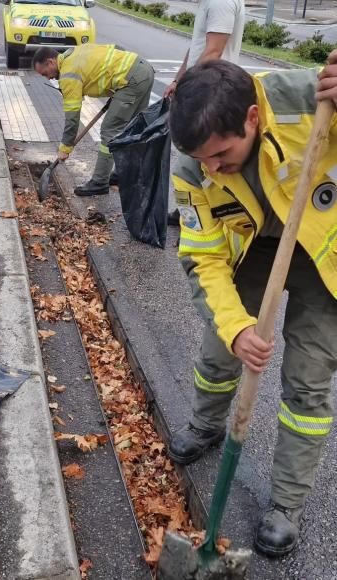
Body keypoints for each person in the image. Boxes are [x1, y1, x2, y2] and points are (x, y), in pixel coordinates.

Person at [167, 54, 337, 557]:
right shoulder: (192, 167)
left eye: (222, 154)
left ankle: (286, 504)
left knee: (308, 381)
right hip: (253, 246)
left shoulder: (313, 100)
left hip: (322, 248)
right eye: (203, 159)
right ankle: (206, 424)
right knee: (221, 349)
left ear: (252, 119)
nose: (212, 167)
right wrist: (238, 328)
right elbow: (203, 258)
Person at [33, 44, 154, 197]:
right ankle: (123, 174)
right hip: (143, 69)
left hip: (132, 81)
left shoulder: (68, 75)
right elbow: (117, 48)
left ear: (51, 62)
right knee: (133, 128)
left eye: (45, 73)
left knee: (109, 130)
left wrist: (65, 148)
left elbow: (72, 118)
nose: (48, 77)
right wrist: (117, 80)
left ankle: (99, 182)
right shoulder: (75, 51)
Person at [164, 0, 244, 225]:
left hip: (210, 92)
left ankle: (203, 222)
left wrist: (188, 89)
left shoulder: (221, 2)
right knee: (193, 163)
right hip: (201, 88)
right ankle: (188, 213)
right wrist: (177, 80)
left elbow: (214, 50)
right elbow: (197, 47)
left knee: (206, 161)